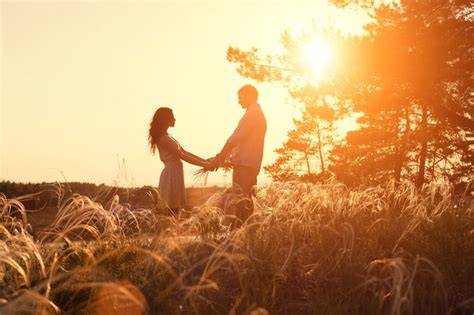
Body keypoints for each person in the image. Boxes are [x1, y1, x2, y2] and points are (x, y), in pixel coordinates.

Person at [148, 107, 211, 213]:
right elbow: (182, 155)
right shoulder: (163, 138)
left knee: (176, 207)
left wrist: (205, 161)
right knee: (172, 208)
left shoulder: (168, 136)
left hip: (176, 173)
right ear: (166, 119)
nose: (175, 119)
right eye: (172, 117)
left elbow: (185, 152)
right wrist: (204, 164)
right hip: (171, 174)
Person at [213, 84, 267, 197]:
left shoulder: (253, 114)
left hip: (244, 165)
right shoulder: (256, 113)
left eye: (240, 98)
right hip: (250, 163)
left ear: (250, 96)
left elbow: (235, 137)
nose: (238, 101)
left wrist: (221, 155)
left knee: (241, 200)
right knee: (247, 199)